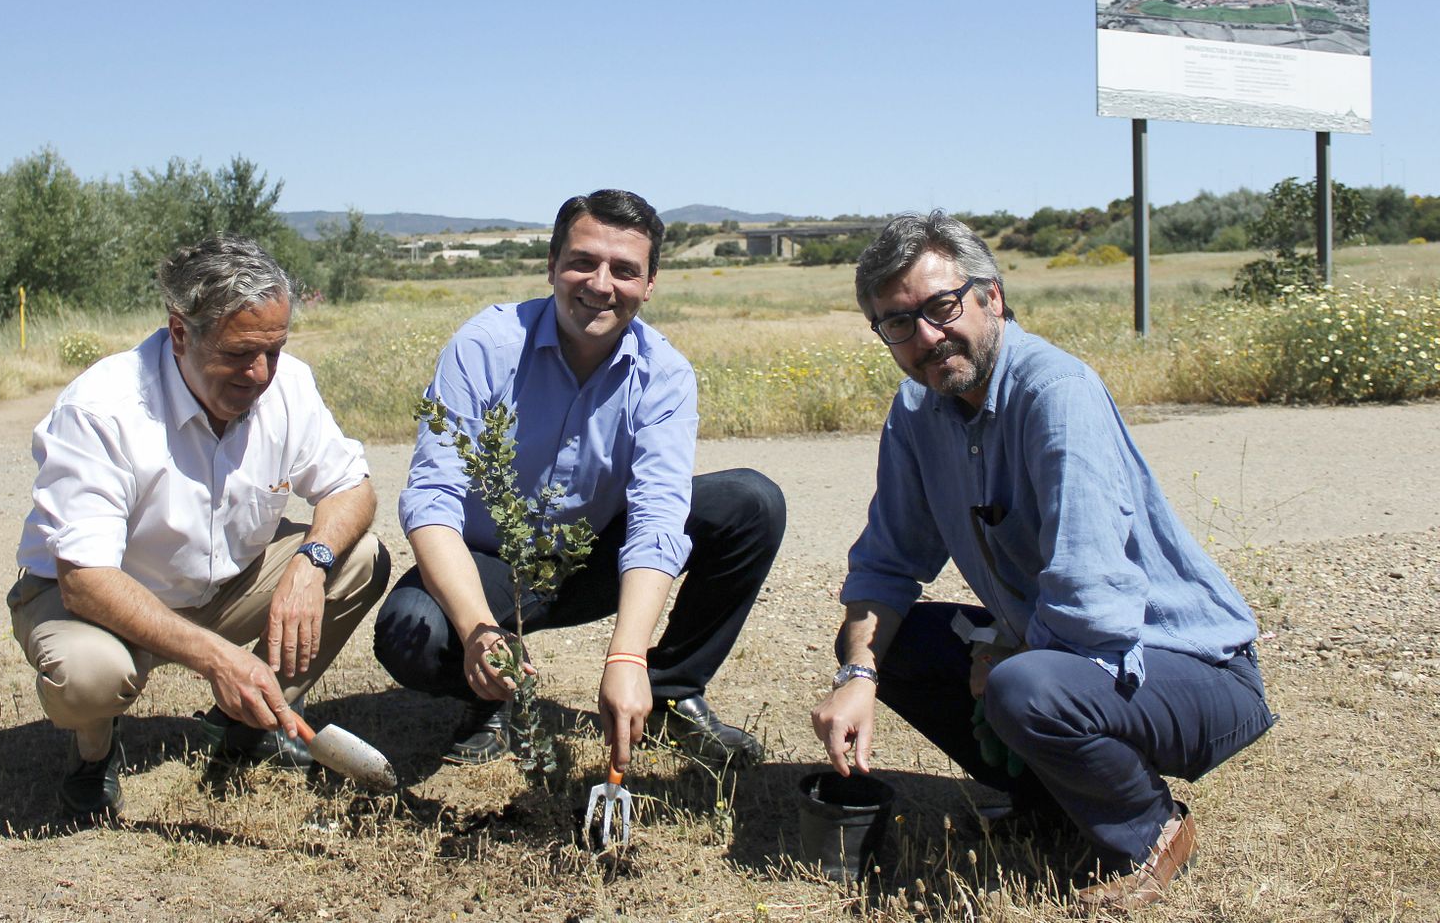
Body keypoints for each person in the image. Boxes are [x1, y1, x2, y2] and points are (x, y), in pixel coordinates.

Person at [810, 211, 1275, 908]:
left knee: (1023, 689)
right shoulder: (917, 413)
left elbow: (1093, 598)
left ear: (990, 297)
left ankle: (1150, 830)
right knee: (895, 644)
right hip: (1073, 656)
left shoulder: (1056, 393)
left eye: (942, 306)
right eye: (898, 323)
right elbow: (886, 566)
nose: (928, 337)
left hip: (1193, 667)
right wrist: (857, 673)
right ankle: (1050, 802)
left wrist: (1009, 653)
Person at [376, 189, 784, 772]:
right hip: (488, 564)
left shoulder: (664, 374)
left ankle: (671, 693)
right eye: (582, 261)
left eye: (624, 270)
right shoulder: (485, 347)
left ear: (650, 284)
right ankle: (492, 695)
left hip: (592, 559)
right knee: (410, 630)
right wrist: (477, 630)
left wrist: (629, 658)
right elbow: (432, 499)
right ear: (551, 266)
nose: (600, 283)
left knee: (751, 502)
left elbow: (657, 515)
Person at [10, 234, 390, 819]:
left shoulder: (287, 385)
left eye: (275, 349)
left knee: (358, 558)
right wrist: (217, 657)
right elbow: (84, 580)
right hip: (95, 602)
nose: (260, 373)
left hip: (222, 586)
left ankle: (248, 728)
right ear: (181, 332)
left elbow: (351, 487)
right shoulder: (101, 409)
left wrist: (310, 565)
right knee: (91, 676)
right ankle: (95, 751)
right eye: (239, 353)